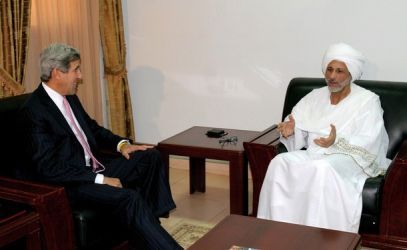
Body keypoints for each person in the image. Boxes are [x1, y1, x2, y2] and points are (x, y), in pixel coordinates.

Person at [20, 43, 182, 249]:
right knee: (130, 198)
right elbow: (48, 168)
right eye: (75, 69)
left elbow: (92, 129)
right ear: (57, 73)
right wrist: (101, 179)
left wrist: (122, 144)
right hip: (70, 183)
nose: (80, 75)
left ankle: (148, 225)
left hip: (94, 167)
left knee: (150, 157)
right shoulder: (34, 112)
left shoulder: (69, 98)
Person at [257, 43, 391, 233]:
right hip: (315, 153)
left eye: (339, 71)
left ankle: (316, 238)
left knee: (322, 168)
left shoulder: (368, 100)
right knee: (280, 162)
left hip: (348, 158)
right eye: (329, 69)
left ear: (351, 73)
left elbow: (370, 139)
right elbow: (297, 122)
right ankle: (275, 232)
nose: (332, 76)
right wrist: (291, 128)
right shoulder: (314, 96)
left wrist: (336, 142)